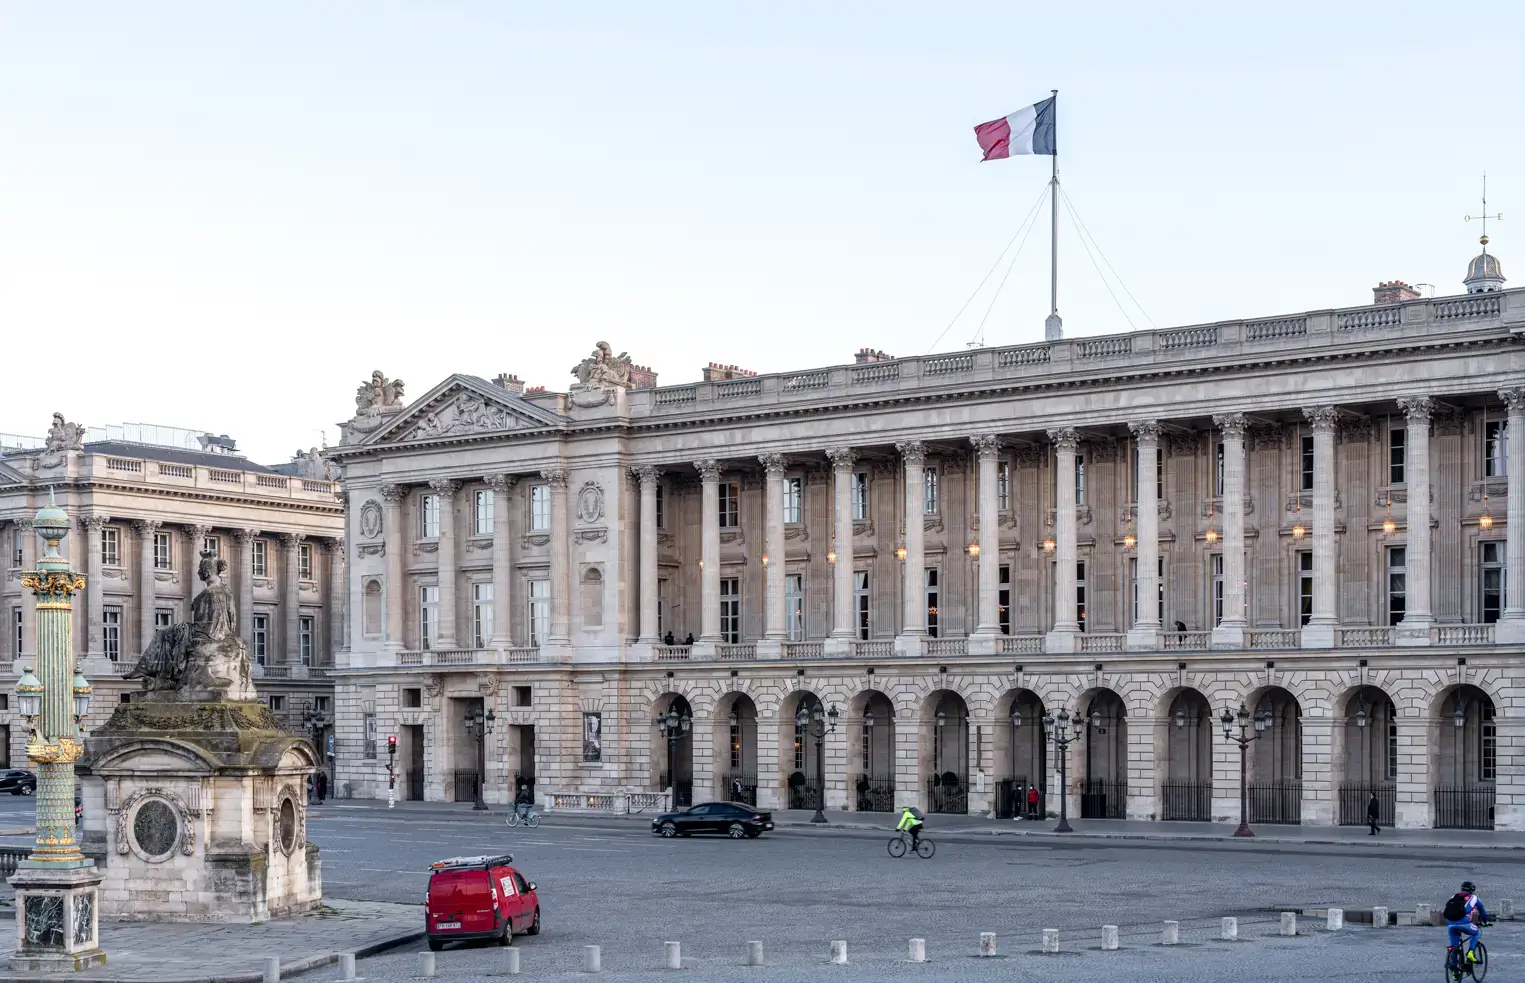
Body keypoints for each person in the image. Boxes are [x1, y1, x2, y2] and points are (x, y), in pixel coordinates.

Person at [1443, 881, 1491, 965]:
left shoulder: (1454, 896)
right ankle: (1470, 952)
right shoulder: (1474, 898)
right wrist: (1485, 922)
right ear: (1472, 890)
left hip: (1450, 924)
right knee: (1477, 932)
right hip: (1464, 924)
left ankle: (1454, 969)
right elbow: (1482, 912)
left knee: (1454, 946)